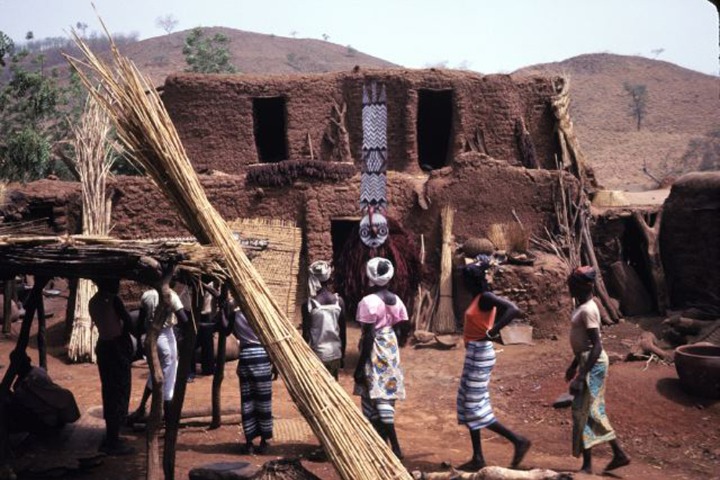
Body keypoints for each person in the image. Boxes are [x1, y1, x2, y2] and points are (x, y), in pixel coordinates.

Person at [456, 255, 531, 471]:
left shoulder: (485, 297)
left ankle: (518, 440)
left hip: (480, 354)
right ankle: (478, 457)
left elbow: (513, 309)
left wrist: (493, 331)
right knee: (467, 402)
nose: (463, 282)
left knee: (473, 405)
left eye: (466, 279)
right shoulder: (478, 297)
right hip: (475, 353)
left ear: (473, 281)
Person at [565, 266, 630, 474]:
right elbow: (583, 344)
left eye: (573, 285)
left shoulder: (589, 310)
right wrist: (573, 366)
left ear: (585, 286)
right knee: (585, 410)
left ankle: (593, 464)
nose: (570, 288)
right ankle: (614, 455)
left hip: (593, 364)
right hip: (586, 361)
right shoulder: (583, 306)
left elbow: (596, 346)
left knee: (588, 410)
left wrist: (581, 375)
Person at [353, 257, 407, 460]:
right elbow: (402, 327)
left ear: (370, 277)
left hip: (375, 348)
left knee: (377, 395)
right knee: (384, 393)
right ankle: (382, 445)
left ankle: (396, 447)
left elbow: (368, 336)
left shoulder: (369, 302)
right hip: (390, 347)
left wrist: (359, 367)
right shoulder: (396, 300)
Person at [222, 298, 276, 454]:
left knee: (247, 401)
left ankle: (249, 443)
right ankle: (264, 441)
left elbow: (226, 331)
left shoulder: (235, 314)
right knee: (264, 402)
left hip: (245, 358)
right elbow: (271, 338)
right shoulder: (261, 313)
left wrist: (222, 312)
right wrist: (274, 363)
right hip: (262, 358)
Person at [88, 277, 135, 456]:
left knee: (109, 392)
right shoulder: (113, 300)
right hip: (116, 348)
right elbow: (128, 322)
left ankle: (112, 436)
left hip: (104, 346)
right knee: (119, 392)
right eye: (115, 282)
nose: (118, 285)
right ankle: (113, 441)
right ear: (106, 282)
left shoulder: (93, 301)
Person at [127, 286, 187, 424]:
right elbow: (184, 319)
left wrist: (141, 342)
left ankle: (142, 407)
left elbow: (141, 322)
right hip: (166, 337)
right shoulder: (171, 295)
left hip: (152, 338)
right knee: (169, 376)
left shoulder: (146, 295)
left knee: (156, 373)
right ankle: (166, 413)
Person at [7, 351, 80, 434]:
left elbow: (25, 400)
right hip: (53, 417)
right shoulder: (38, 371)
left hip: (48, 421)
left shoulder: (31, 381)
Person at [302, 260, 346, 380]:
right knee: (332, 386)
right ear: (329, 278)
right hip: (335, 353)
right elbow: (342, 332)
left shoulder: (309, 305)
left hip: (317, 354)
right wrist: (342, 355)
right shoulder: (339, 302)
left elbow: (306, 335)